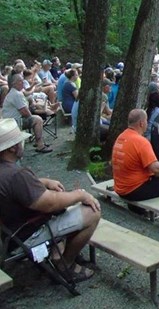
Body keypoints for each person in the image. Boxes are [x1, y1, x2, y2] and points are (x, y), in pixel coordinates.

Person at [0, 118, 101, 283]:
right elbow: (50, 203)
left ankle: (60, 251)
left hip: (10, 234)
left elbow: (15, 189)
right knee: (91, 212)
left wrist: (44, 182)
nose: (22, 144)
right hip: (27, 234)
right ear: (12, 147)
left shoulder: (6, 171)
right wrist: (81, 195)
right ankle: (65, 265)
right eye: (20, 141)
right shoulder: (16, 175)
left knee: (67, 202)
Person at [112, 109, 159, 201]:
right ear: (141, 123)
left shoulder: (121, 137)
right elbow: (156, 168)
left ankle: (139, 210)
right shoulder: (140, 141)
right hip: (133, 189)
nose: (147, 123)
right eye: (146, 121)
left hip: (120, 187)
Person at [3, 74, 51, 153]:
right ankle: (40, 145)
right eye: (20, 81)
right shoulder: (16, 94)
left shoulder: (15, 92)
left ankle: (38, 142)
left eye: (22, 80)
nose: (23, 83)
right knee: (38, 120)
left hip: (11, 121)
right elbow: (25, 113)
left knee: (36, 116)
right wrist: (33, 114)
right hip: (14, 123)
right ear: (14, 83)